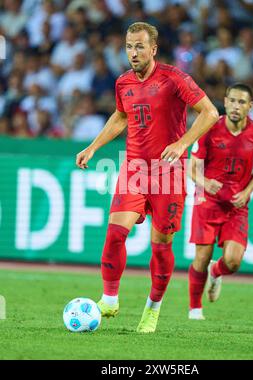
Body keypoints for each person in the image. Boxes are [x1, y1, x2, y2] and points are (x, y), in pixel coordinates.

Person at [76, 22, 219, 333]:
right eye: (129, 46)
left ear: (153, 49)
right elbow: (121, 115)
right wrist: (93, 147)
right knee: (115, 233)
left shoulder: (174, 78)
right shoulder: (123, 82)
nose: (133, 52)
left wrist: (182, 143)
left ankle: (153, 308)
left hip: (170, 173)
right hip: (135, 170)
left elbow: (209, 112)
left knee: (161, 245)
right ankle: (109, 299)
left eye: (140, 46)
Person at [188, 83, 253, 320]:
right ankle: (195, 309)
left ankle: (217, 271)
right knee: (201, 257)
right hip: (208, 201)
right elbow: (191, 167)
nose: (236, 106)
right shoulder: (209, 129)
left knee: (233, 262)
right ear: (225, 102)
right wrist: (205, 182)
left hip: (236, 206)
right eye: (232, 101)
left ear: (250, 106)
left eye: (242, 102)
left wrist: (247, 192)